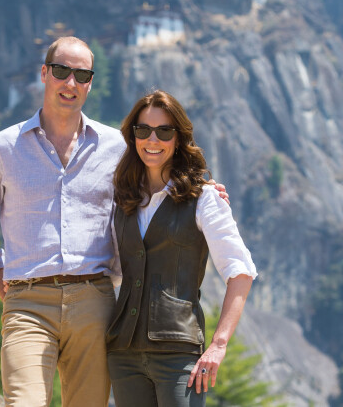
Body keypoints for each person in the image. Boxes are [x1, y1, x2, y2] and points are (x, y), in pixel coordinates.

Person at [0, 36, 229, 407]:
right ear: (44, 73)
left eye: (82, 75)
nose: (70, 83)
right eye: (61, 71)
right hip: (27, 302)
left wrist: (203, 189)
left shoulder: (116, 148)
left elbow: (157, 183)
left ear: (90, 82)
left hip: (96, 301)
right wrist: (6, 290)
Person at [106, 90, 257, 407]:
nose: (153, 139)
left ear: (178, 138)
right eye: (143, 130)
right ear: (133, 136)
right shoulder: (122, 199)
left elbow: (241, 271)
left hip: (178, 353)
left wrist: (218, 344)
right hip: (123, 353)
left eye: (164, 131)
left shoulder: (204, 198)